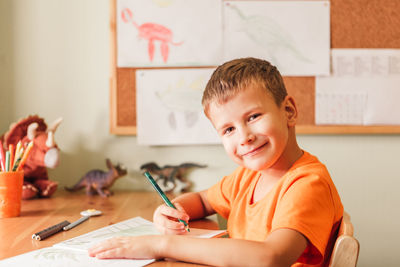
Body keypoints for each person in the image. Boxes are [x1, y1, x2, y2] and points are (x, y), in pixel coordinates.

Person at [88, 57, 343, 266]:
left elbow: (270, 258)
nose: (244, 137)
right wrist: (170, 210)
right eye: (228, 130)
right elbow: (202, 200)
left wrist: (162, 244)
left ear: (288, 111)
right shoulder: (249, 176)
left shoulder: (307, 184)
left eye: (253, 116)